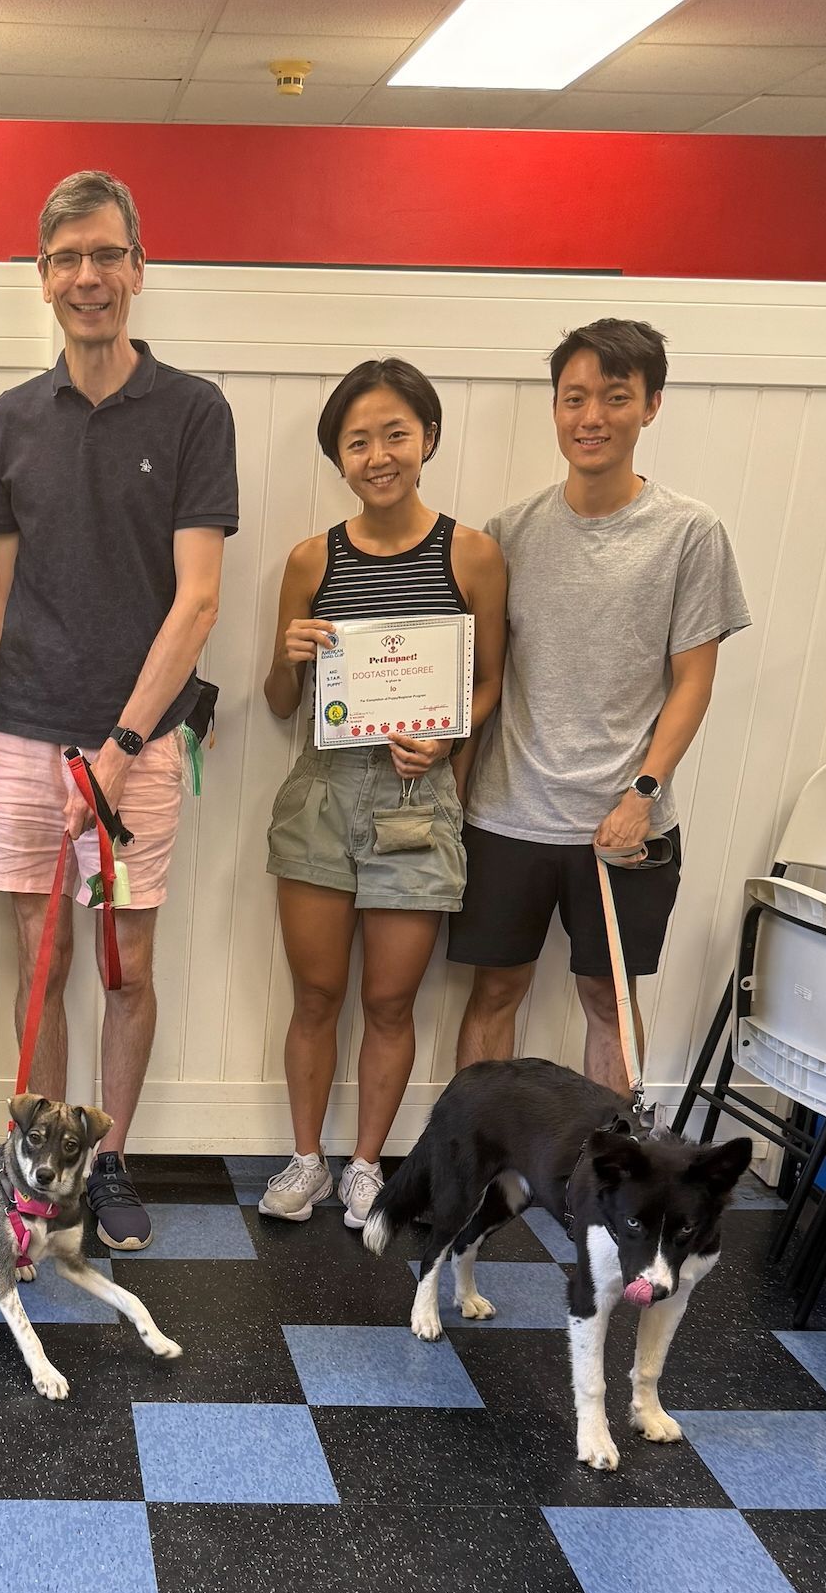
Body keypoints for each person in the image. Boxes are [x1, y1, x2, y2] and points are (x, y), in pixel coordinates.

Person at [0, 168, 237, 1249]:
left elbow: (198, 599)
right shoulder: (8, 421)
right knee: (40, 965)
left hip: (140, 740)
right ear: (42, 278)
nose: (89, 276)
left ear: (138, 268)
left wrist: (123, 746)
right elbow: (6, 596)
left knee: (127, 963)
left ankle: (110, 1159)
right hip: (21, 731)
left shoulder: (193, 410)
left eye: (107, 255)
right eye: (67, 258)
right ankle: (38, 1172)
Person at [450, 317, 750, 1090]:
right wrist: (451, 788)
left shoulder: (689, 533)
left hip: (626, 823)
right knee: (494, 993)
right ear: (554, 408)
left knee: (608, 1001)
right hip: (507, 814)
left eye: (615, 397)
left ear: (651, 405)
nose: (592, 417)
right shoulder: (507, 534)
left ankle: (612, 1164)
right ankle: (478, 1154)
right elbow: (480, 678)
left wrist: (642, 794)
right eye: (574, 398)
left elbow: (695, 679)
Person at [258, 359, 505, 1227]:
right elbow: (280, 703)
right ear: (338, 458)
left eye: (395, 434)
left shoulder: (472, 554)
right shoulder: (310, 559)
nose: (378, 456)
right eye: (357, 442)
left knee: (390, 1001)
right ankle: (306, 1162)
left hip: (416, 799)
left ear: (427, 437)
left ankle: (366, 1165)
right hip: (323, 794)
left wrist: (447, 738)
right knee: (315, 996)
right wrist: (288, 659)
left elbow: (490, 681)